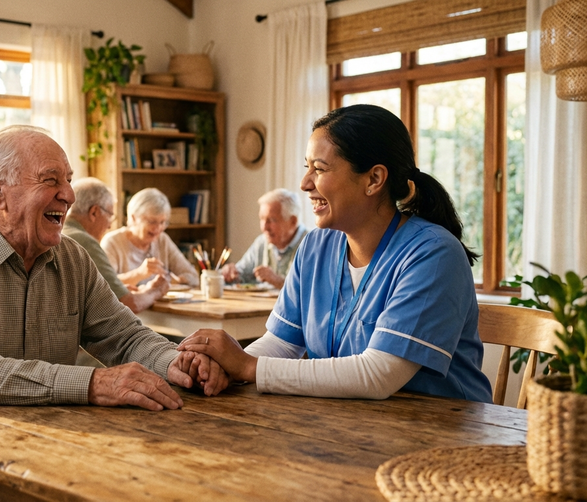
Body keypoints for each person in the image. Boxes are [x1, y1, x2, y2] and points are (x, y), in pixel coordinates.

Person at [0, 126, 225, 484]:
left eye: (69, 180)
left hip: (39, 447)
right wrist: (92, 384)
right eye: (50, 180)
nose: (69, 195)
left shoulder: (72, 258)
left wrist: (178, 363)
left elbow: (124, 337)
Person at [178, 104, 492, 403]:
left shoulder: (434, 254)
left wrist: (246, 367)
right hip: (350, 428)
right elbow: (282, 343)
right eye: (306, 168)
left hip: (444, 441)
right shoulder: (316, 247)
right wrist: (222, 366)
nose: (304, 183)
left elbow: (378, 374)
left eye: (319, 169)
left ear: (374, 179)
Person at [64, 177, 169, 313]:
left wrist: (119, 290)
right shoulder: (85, 242)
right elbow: (127, 305)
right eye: (110, 216)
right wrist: (156, 290)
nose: (109, 225)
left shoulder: (61, 232)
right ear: (94, 212)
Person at [101, 187, 199, 287]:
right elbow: (105, 284)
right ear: (133, 218)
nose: (158, 228)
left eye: (162, 222)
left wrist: (176, 281)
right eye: (152, 222)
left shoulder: (162, 240)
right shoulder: (112, 242)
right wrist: (139, 274)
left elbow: (193, 276)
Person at [220, 188, 307, 289]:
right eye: (262, 219)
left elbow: (311, 290)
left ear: (293, 221)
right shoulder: (262, 242)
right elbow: (240, 274)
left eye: (272, 220)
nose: (265, 227)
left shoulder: (312, 244)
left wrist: (277, 280)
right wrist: (230, 274)